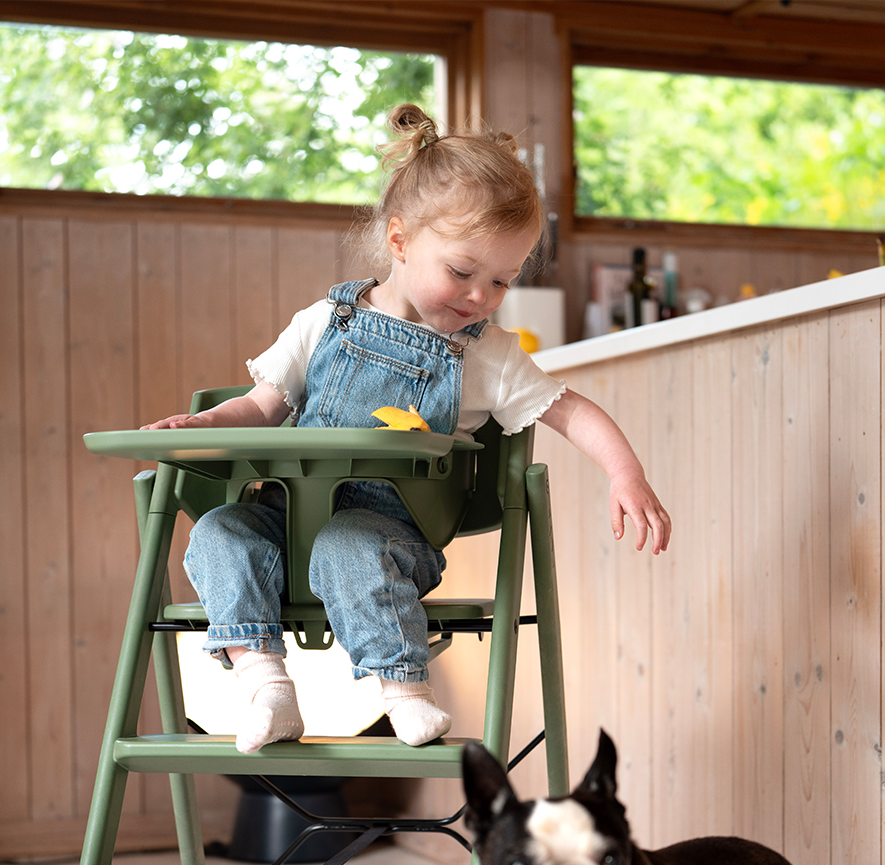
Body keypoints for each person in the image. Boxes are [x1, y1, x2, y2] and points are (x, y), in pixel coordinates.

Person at [142, 104, 671, 752]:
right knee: (219, 531)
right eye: (462, 272)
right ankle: (266, 685)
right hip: (283, 523)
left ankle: (404, 691)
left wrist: (627, 473)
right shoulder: (320, 323)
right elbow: (260, 407)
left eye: (502, 280)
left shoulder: (487, 354)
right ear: (400, 242)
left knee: (349, 543)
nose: (480, 296)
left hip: (388, 539)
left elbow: (569, 409)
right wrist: (202, 424)